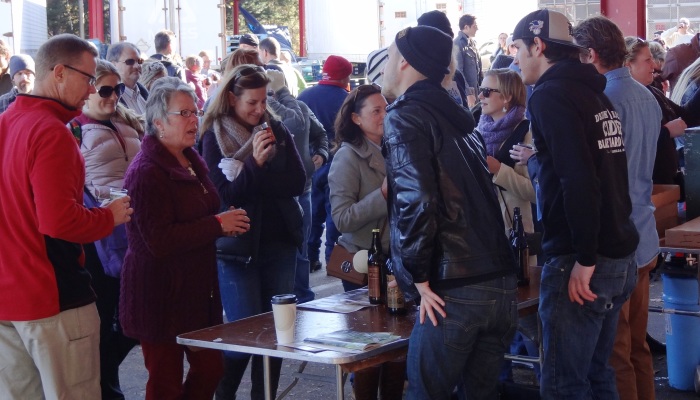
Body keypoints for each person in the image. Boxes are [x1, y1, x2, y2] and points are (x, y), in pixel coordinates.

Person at [382, 25, 517, 399]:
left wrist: (416, 275)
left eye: (391, 57)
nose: (386, 65)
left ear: (406, 62)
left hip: (454, 286)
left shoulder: (406, 115)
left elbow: (417, 200)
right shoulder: (459, 117)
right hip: (497, 282)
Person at [511, 9, 639, 398]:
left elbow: (578, 180)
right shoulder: (593, 92)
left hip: (583, 260)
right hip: (617, 251)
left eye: (518, 48)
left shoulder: (551, 95)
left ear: (539, 45)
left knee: (566, 383)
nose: (514, 58)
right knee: (597, 375)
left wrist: (584, 258)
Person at [0, 33, 133, 399]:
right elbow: (58, 222)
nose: (92, 89)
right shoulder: (50, 132)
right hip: (51, 298)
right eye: (88, 78)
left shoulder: (8, 121)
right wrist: (108, 217)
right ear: (58, 72)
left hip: (11, 297)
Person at [119, 77, 250, 400]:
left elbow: (201, 214)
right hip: (159, 295)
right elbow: (157, 241)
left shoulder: (190, 158)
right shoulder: (146, 171)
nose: (195, 120)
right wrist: (216, 226)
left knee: (210, 369)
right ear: (159, 123)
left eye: (196, 111)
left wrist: (220, 224)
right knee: (165, 382)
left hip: (196, 291)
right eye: (185, 113)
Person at [199, 64, 306, 400]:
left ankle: (265, 396)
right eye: (252, 103)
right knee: (243, 334)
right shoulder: (213, 136)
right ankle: (224, 392)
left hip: (280, 243)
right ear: (232, 98)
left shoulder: (275, 129)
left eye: (264, 101)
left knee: (277, 334)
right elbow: (223, 196)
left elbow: (297, 181)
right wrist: (257, 166)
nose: (260, 110)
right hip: (237, 250)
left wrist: (250, 175)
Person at [573, 16, 663, 400]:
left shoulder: (604, 100)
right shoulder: (646, 96)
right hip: (644, 231)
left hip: (619, 238)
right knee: (636, 347)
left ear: (589, 54)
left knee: (616, 353)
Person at [70, 58, 143, 399]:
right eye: (105, 89)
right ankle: (106, 388)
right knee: (108, 316)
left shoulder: (127, 120)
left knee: (135, 320)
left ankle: (103, 380)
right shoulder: (72, 129)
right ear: (88, 90)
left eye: (118, 89)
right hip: (100, 238)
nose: (113, 96)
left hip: (136, 229)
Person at [328, 83, 406, 399]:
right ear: (357, 119)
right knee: (370, 346)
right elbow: (342, 219)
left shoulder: (397, 147)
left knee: (398, 344)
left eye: (387, 107)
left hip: (398, 259)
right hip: (364, 263)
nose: (385, 114)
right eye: (376, 110)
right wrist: (383, 195)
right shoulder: (347, 157)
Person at [298, 55, 353, 273]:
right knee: (335, 214)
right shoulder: (347, 99)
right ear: (345, 76)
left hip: (312, 163)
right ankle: (334, 260)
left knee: (313, 212)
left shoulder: (304, 96)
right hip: (339, 163)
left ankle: (310, 256)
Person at [625, 37, 690, 197]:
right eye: (647, 60)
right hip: (645, 189)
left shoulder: (652, 91)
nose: (654, 65)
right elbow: (632, 143)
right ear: (628, 65)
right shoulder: (624, 99)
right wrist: (666, 132)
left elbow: (688, 116)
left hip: (664, 182)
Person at [106, 41, 149, 115]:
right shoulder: (110, 99)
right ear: (113, 65)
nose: (137, 66)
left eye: (139, 61)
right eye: (130, 61)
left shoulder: (145, 94)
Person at [454, 13, 483, 107]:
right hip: (468, 95)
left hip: (477, 91)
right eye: (475, 26)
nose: (477, 29)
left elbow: (478, 69)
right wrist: (468, 93)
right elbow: (458, 71)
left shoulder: (472, 43)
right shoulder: (458, 44)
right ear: (466, 27)